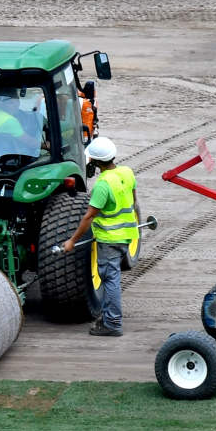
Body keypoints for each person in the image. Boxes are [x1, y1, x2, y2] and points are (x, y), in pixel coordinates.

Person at [59, 136, 139, 337]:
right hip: (127, 235)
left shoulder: (102, 186)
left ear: (95, 162)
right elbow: (134, 202)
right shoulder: (127, 173)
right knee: (113, 277)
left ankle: (112, 323)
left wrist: (71, 241)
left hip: (110, 240)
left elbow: (88, 217)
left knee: (110, 280)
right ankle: (109, 319)